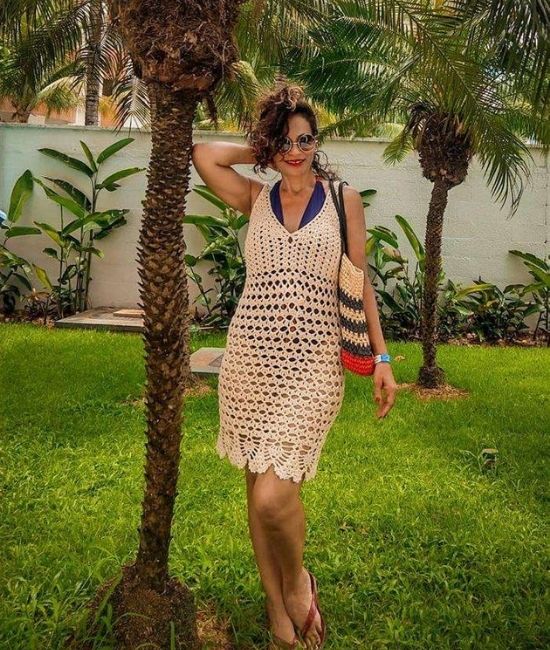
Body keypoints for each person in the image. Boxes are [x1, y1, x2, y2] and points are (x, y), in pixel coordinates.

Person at [191, 84, 397, 649]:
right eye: (284, 141)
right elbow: (204, 155)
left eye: (305, 140)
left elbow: (359, 281)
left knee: (272, 496)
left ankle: (298, 583)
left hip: (313, 369)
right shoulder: (255, 198)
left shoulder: (341, 200)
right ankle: (274, 605)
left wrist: (381, 356)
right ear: (270, 146)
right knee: (255, 490)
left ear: (317, 144)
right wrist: (260, 147)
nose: (296, 151)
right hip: (250, 364)